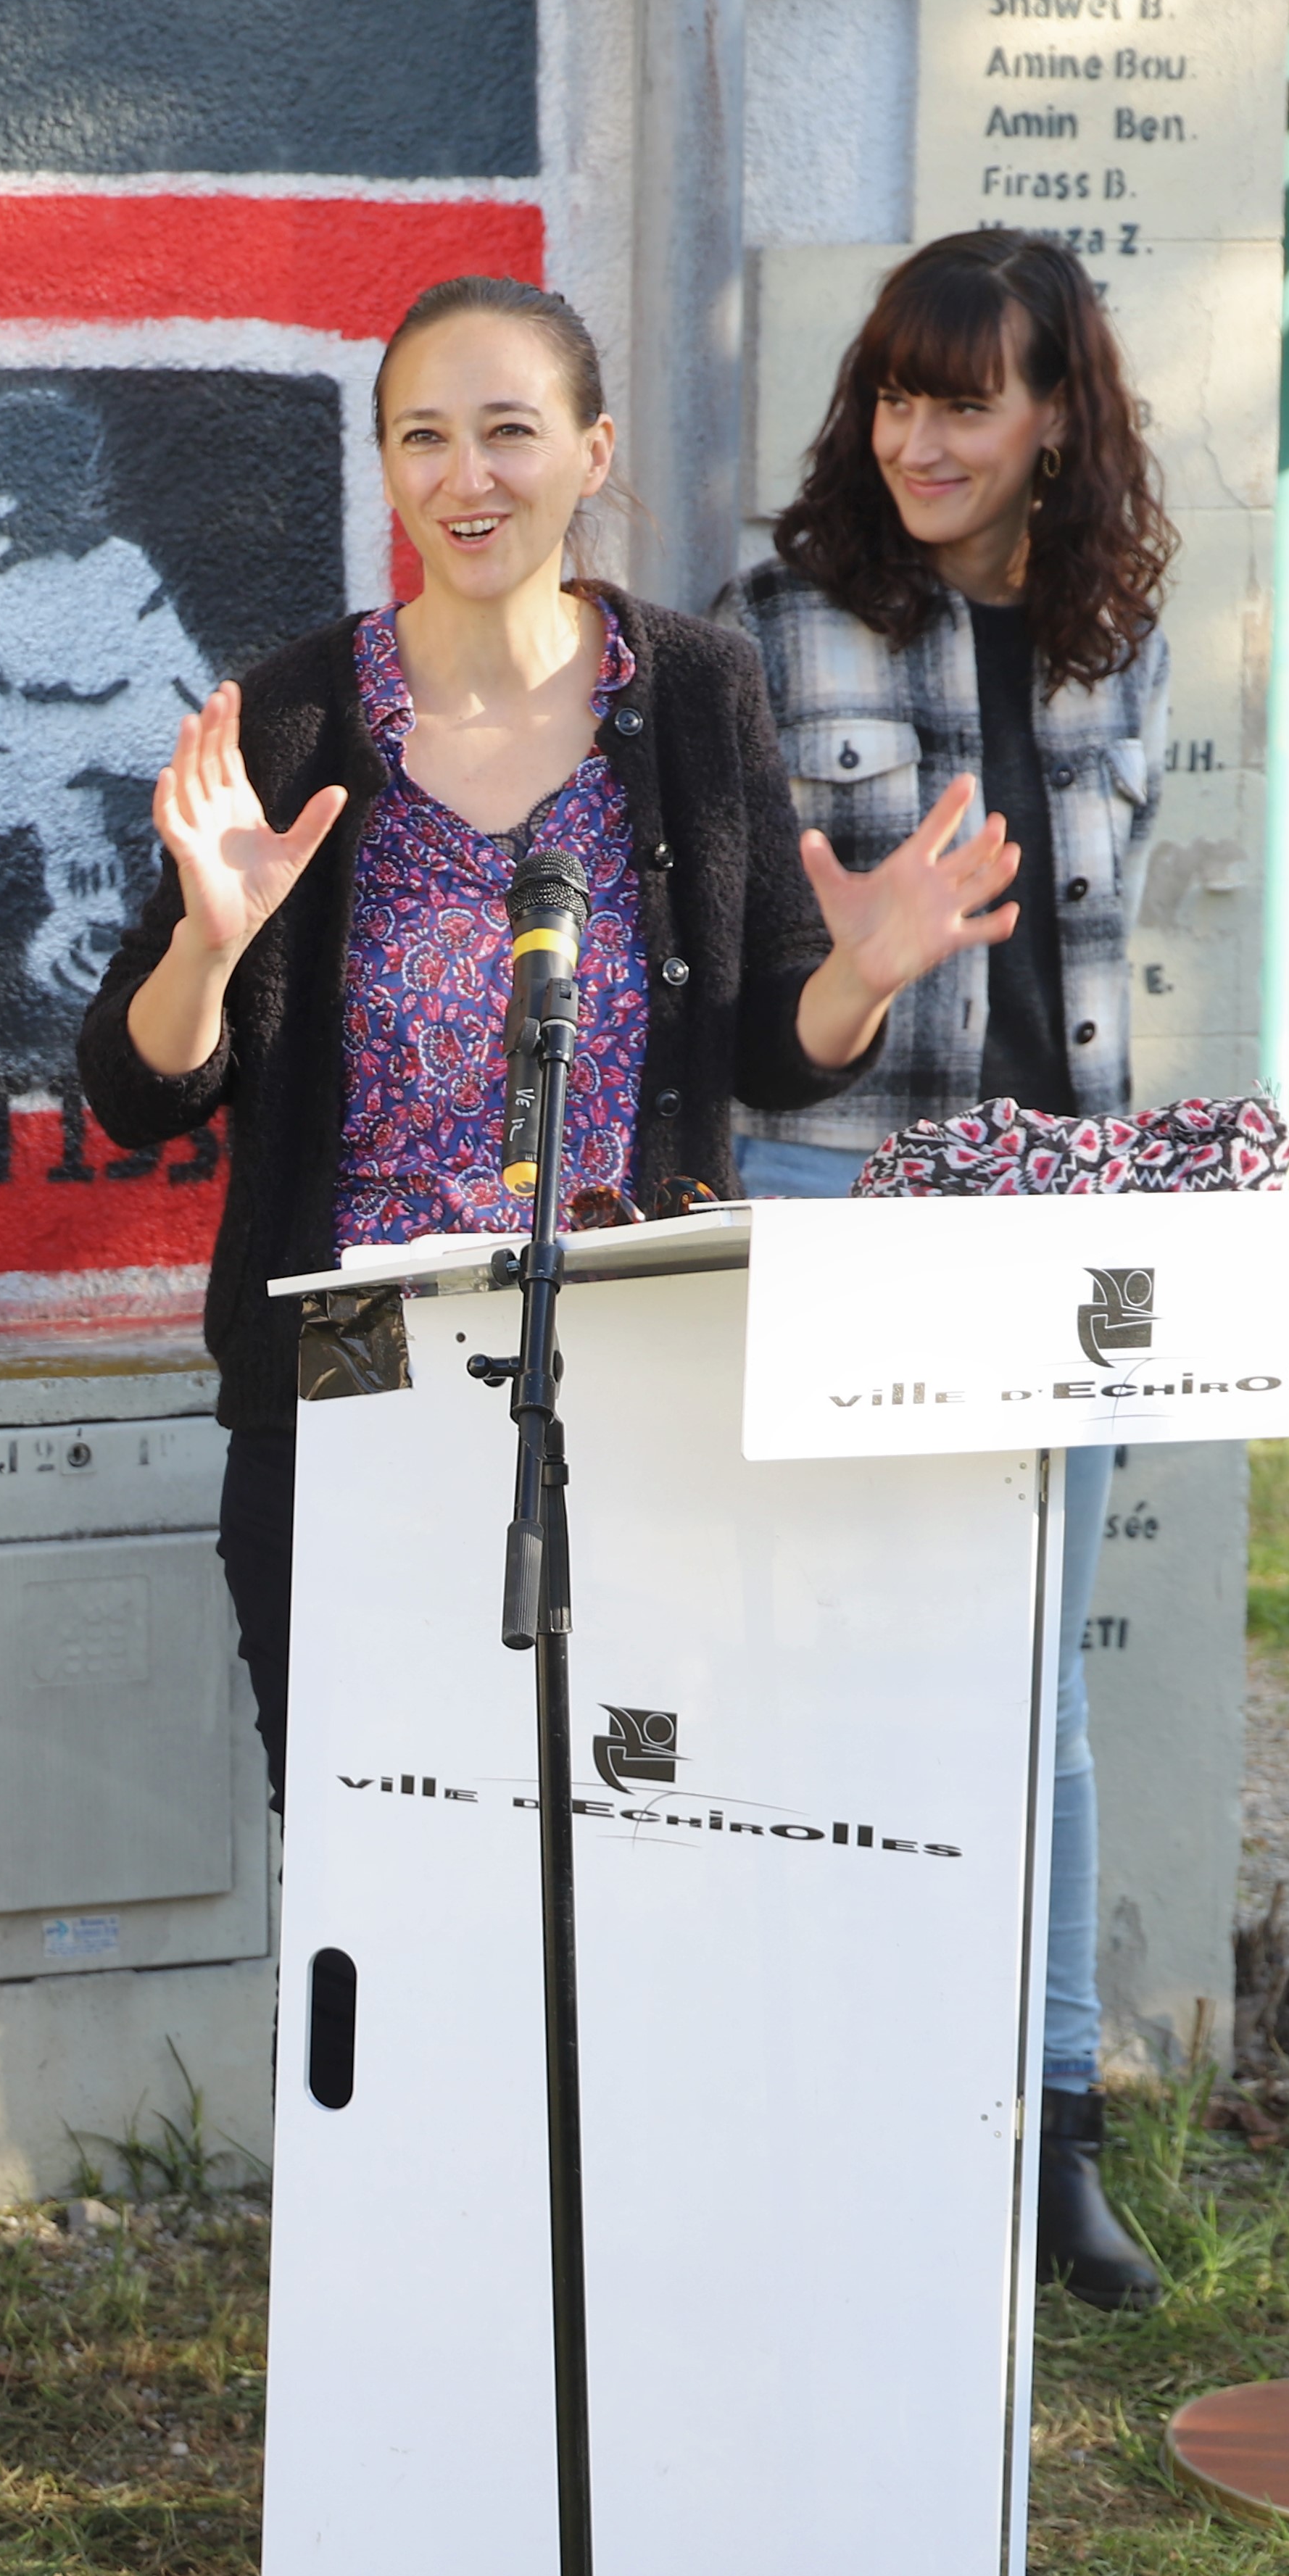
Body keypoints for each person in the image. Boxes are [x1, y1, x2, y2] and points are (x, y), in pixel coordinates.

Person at [72, 272, 1021, 1814]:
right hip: (341, 1397)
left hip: (630, 1389)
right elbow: (140, 1087)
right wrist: (210, 941)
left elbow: (774, 1047)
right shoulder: (294, 719)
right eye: (425, 438)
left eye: (509, 431)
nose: (468, 478)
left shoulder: (697, 688)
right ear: (385, 466)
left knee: (622, 1845)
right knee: (371, 1858)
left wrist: (863, 970)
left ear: (590, 453)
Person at [721, 228, 1181, 2311]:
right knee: (816, 1656)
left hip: (1055, 1215)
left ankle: (1053, 2132)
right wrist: (860, 959)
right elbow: (749, 988)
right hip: (834, 1187)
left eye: (965, 398)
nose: (919, 434)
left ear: (1055, 414)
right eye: (897, 393)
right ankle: (816, 2101)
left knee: (1033, 1684)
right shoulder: (773, 627)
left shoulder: (1123, 635)